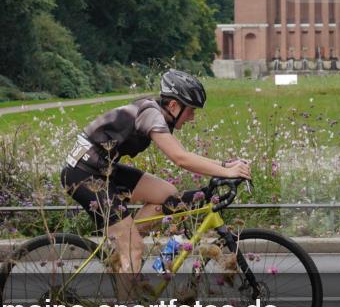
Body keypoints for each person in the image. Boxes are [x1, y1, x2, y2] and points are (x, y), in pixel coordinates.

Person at [60, 69, 251, 274]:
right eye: (191, 111)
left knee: (167, 195)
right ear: (174, 105)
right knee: (135, 249)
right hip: (83, 174)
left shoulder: (156, 113)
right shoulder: (151, 114)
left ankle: (123, 249)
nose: (192, 117)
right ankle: (128, 264)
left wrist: (225, 165)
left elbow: (184, 154)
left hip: (103, 169)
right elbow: (180, 158)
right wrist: (227, 172)